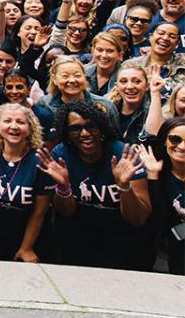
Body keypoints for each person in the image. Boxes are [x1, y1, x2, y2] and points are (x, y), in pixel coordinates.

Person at [37, 100, 152, 270]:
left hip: (119, 238)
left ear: (102, 129)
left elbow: (139, 219)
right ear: (67, 133)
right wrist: (63, 187)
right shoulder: (61, 155)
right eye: (75, 128)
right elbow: (66, 213)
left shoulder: (124, 155)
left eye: (90, 126)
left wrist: (123, 186)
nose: (84, 133)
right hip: (78, 237)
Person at [0, 103, 51, 262]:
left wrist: (26, 248)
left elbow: (39, 212)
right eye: (7, 121)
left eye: (20, 122)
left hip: (21, 238)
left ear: (30, 128)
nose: (14, 126)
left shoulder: (40, 161)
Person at [140, 117, 185, 275]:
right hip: (177, 254)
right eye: (175, 139)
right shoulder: (161, 172)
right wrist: (152, 176)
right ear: (165, 141)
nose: (182, 146)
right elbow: (160, 219)